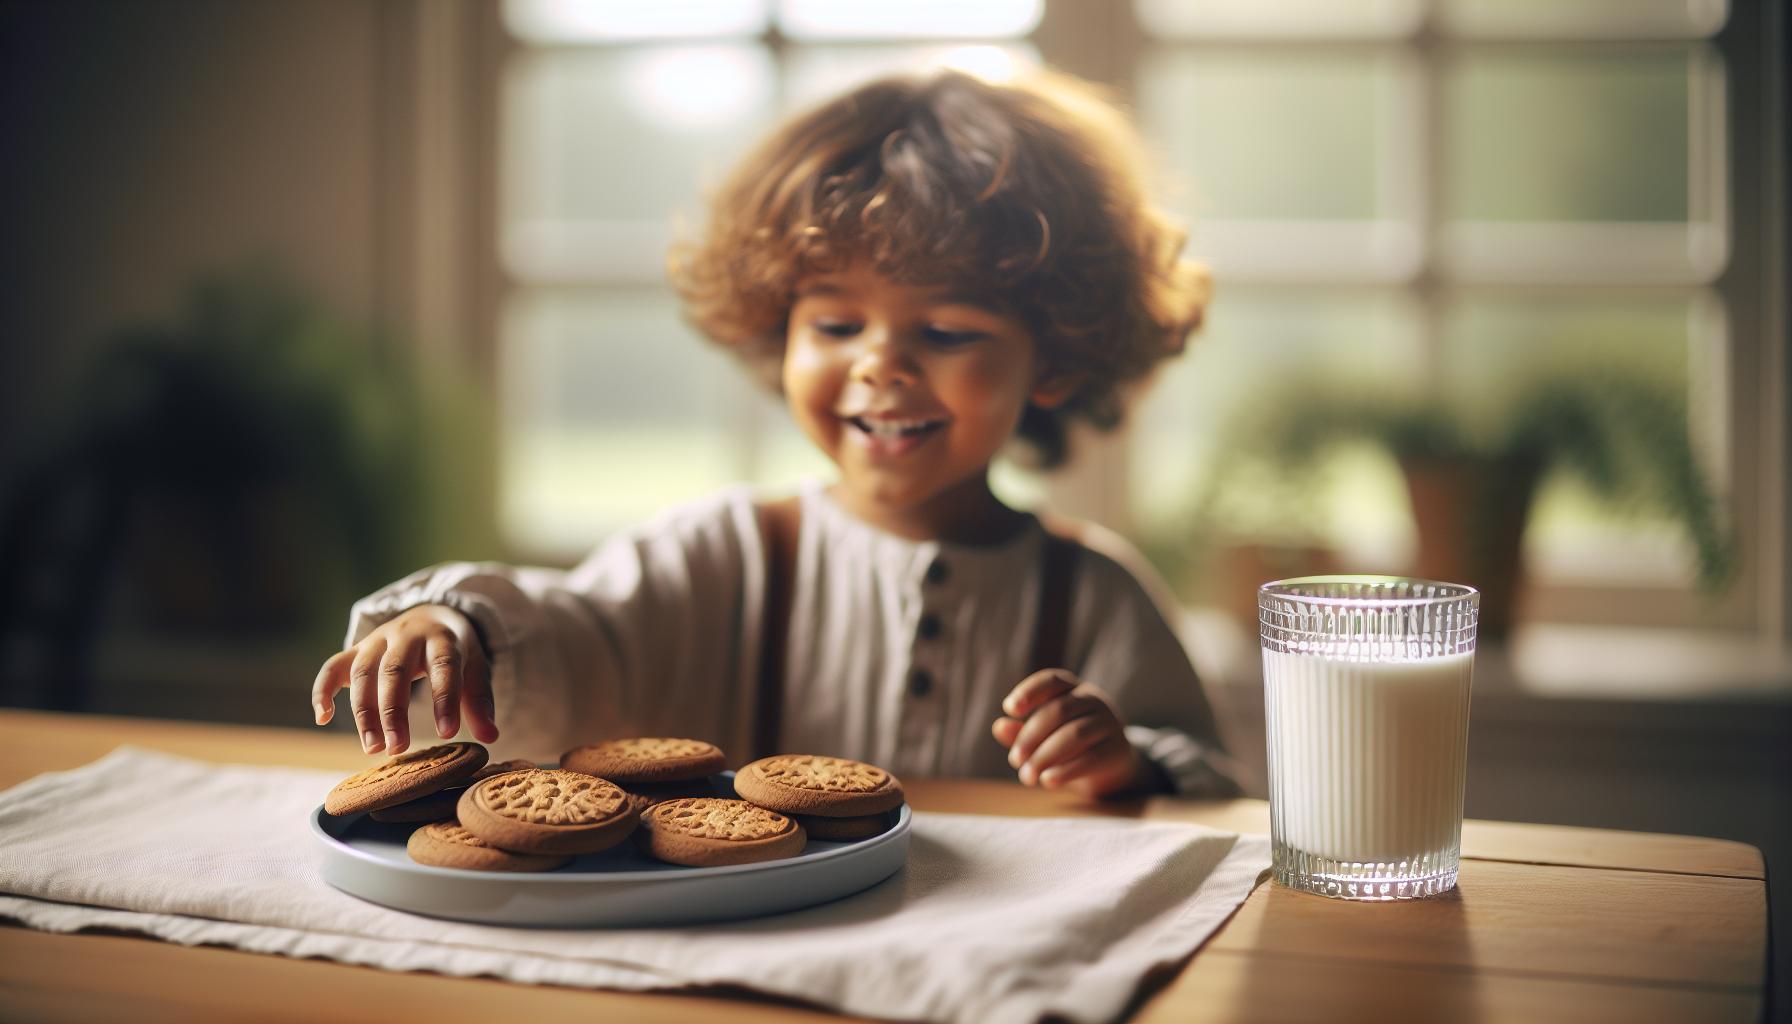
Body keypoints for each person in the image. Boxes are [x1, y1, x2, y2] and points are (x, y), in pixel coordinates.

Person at [310, 68, 1240, 799]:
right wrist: (457, 622)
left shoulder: (1096, 597)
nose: (880, 365)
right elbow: (571, 642)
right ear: (775, 328)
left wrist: (1127, 765)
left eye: (948, 331)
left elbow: (1207, 780)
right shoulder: (722, 555)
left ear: (1059, 359)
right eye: (836, 326)